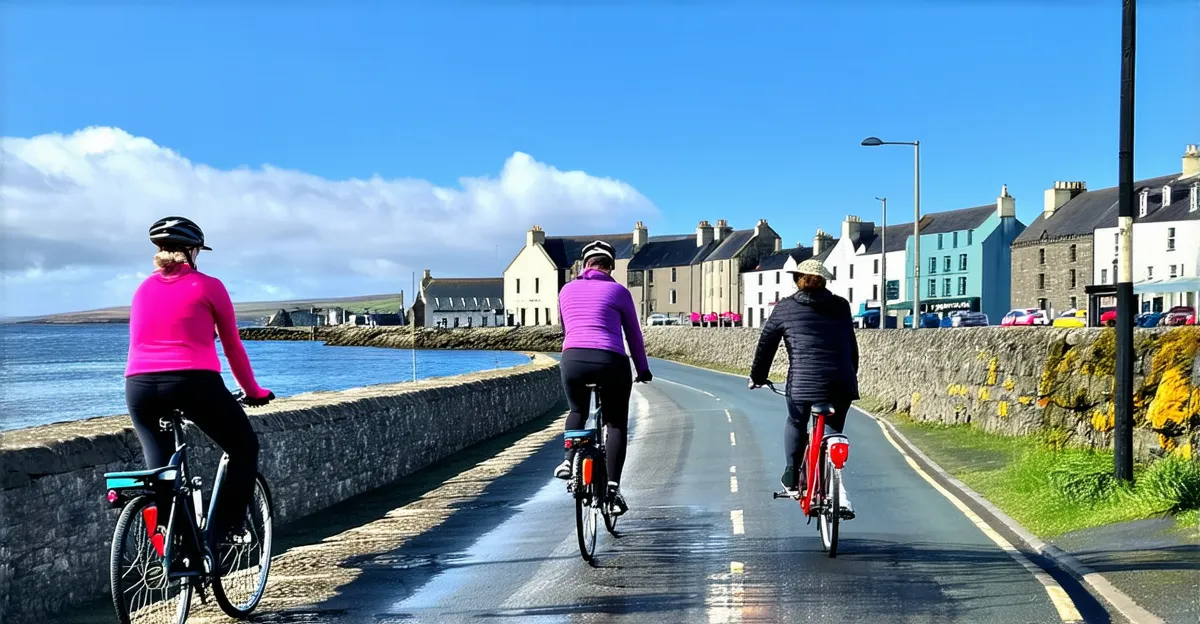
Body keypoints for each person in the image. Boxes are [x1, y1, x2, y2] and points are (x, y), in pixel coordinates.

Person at [125, 216, 274, 562]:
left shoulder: (142, 289)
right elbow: (233, 347)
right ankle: (226, 530)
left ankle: (176, 549)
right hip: (192, 382)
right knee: (242, 446)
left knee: (160, 473)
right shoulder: (209, 286)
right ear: (192, 251)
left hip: (139, 387)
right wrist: (253, 391)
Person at [747, 258, 858, 516]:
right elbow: (851, 346)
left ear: (797, 279)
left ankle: (791, 474)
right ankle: (838, 492)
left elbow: (766, 345)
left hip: (802, 384)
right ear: (824, 281)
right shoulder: (841, 305)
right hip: (841, 381)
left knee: (797, 421)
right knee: (832, 430)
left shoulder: (785, 308)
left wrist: (758, 376)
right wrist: (850, 375)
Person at [555, 240, 652, 515]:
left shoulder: (566, 290)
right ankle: (611, 488)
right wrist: (642, 370)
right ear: (610, 267)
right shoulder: (618, 291)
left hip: (573, 358)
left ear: (585, 265)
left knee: (577, 409)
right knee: (616, 423)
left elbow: (566, 329)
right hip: (610, 361)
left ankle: (568, 459)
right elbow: (633, 335)